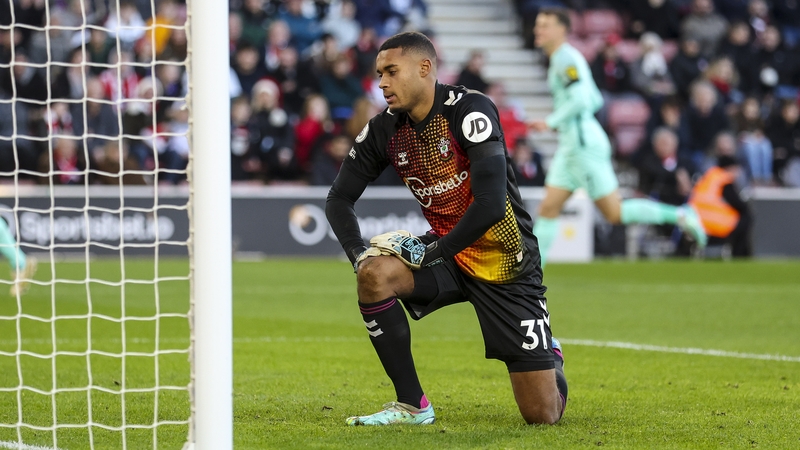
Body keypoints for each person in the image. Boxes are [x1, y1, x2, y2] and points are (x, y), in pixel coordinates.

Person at [325, 31, 568, 426]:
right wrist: (358, 254)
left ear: (425, 68)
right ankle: (412, 406)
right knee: (374, 275)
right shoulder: (385, 129)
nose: (381, 82)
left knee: (542, 415)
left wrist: (433, 252)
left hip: (504, 260)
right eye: (378, 74)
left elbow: (489, 205)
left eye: (391, 71)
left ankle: (549, 354)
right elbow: (338, 199)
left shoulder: (470, 110)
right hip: (449, 253)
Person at [527, 8, 707, 268]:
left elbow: (580, 99)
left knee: (615, 213)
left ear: (562, 30)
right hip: (572, 146)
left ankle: (682, 214)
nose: (538, 30)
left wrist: (550, 122)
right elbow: (594, 98)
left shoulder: (564, 59)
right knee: (548, 209)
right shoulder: (566, 58)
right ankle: (532, 276)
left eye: (544, 25)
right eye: (537, 25)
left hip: (582, 147)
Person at [689, 156, 752, 257]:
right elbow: (739, 205)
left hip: (697, 221)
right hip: (714, 223)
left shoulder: (709, 177)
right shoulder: (723, 179)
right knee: (747, 217)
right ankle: (740, 254)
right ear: (730, 168)